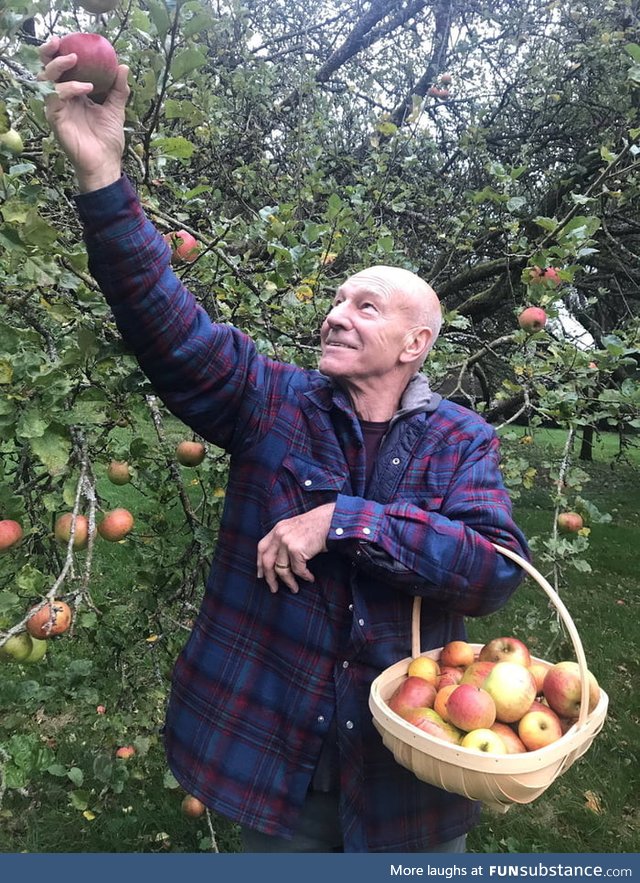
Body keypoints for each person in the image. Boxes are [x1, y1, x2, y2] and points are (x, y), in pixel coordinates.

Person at [39, 40, 529, 854]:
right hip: (273, 763)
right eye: (336, 301)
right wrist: (102, 176)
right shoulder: (271, 400)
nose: (336, 314)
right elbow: (165, 322)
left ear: (416, 343)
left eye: (365, 306)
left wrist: (343, 519)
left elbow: (493, 570)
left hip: (409, 779)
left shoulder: (460, 438)